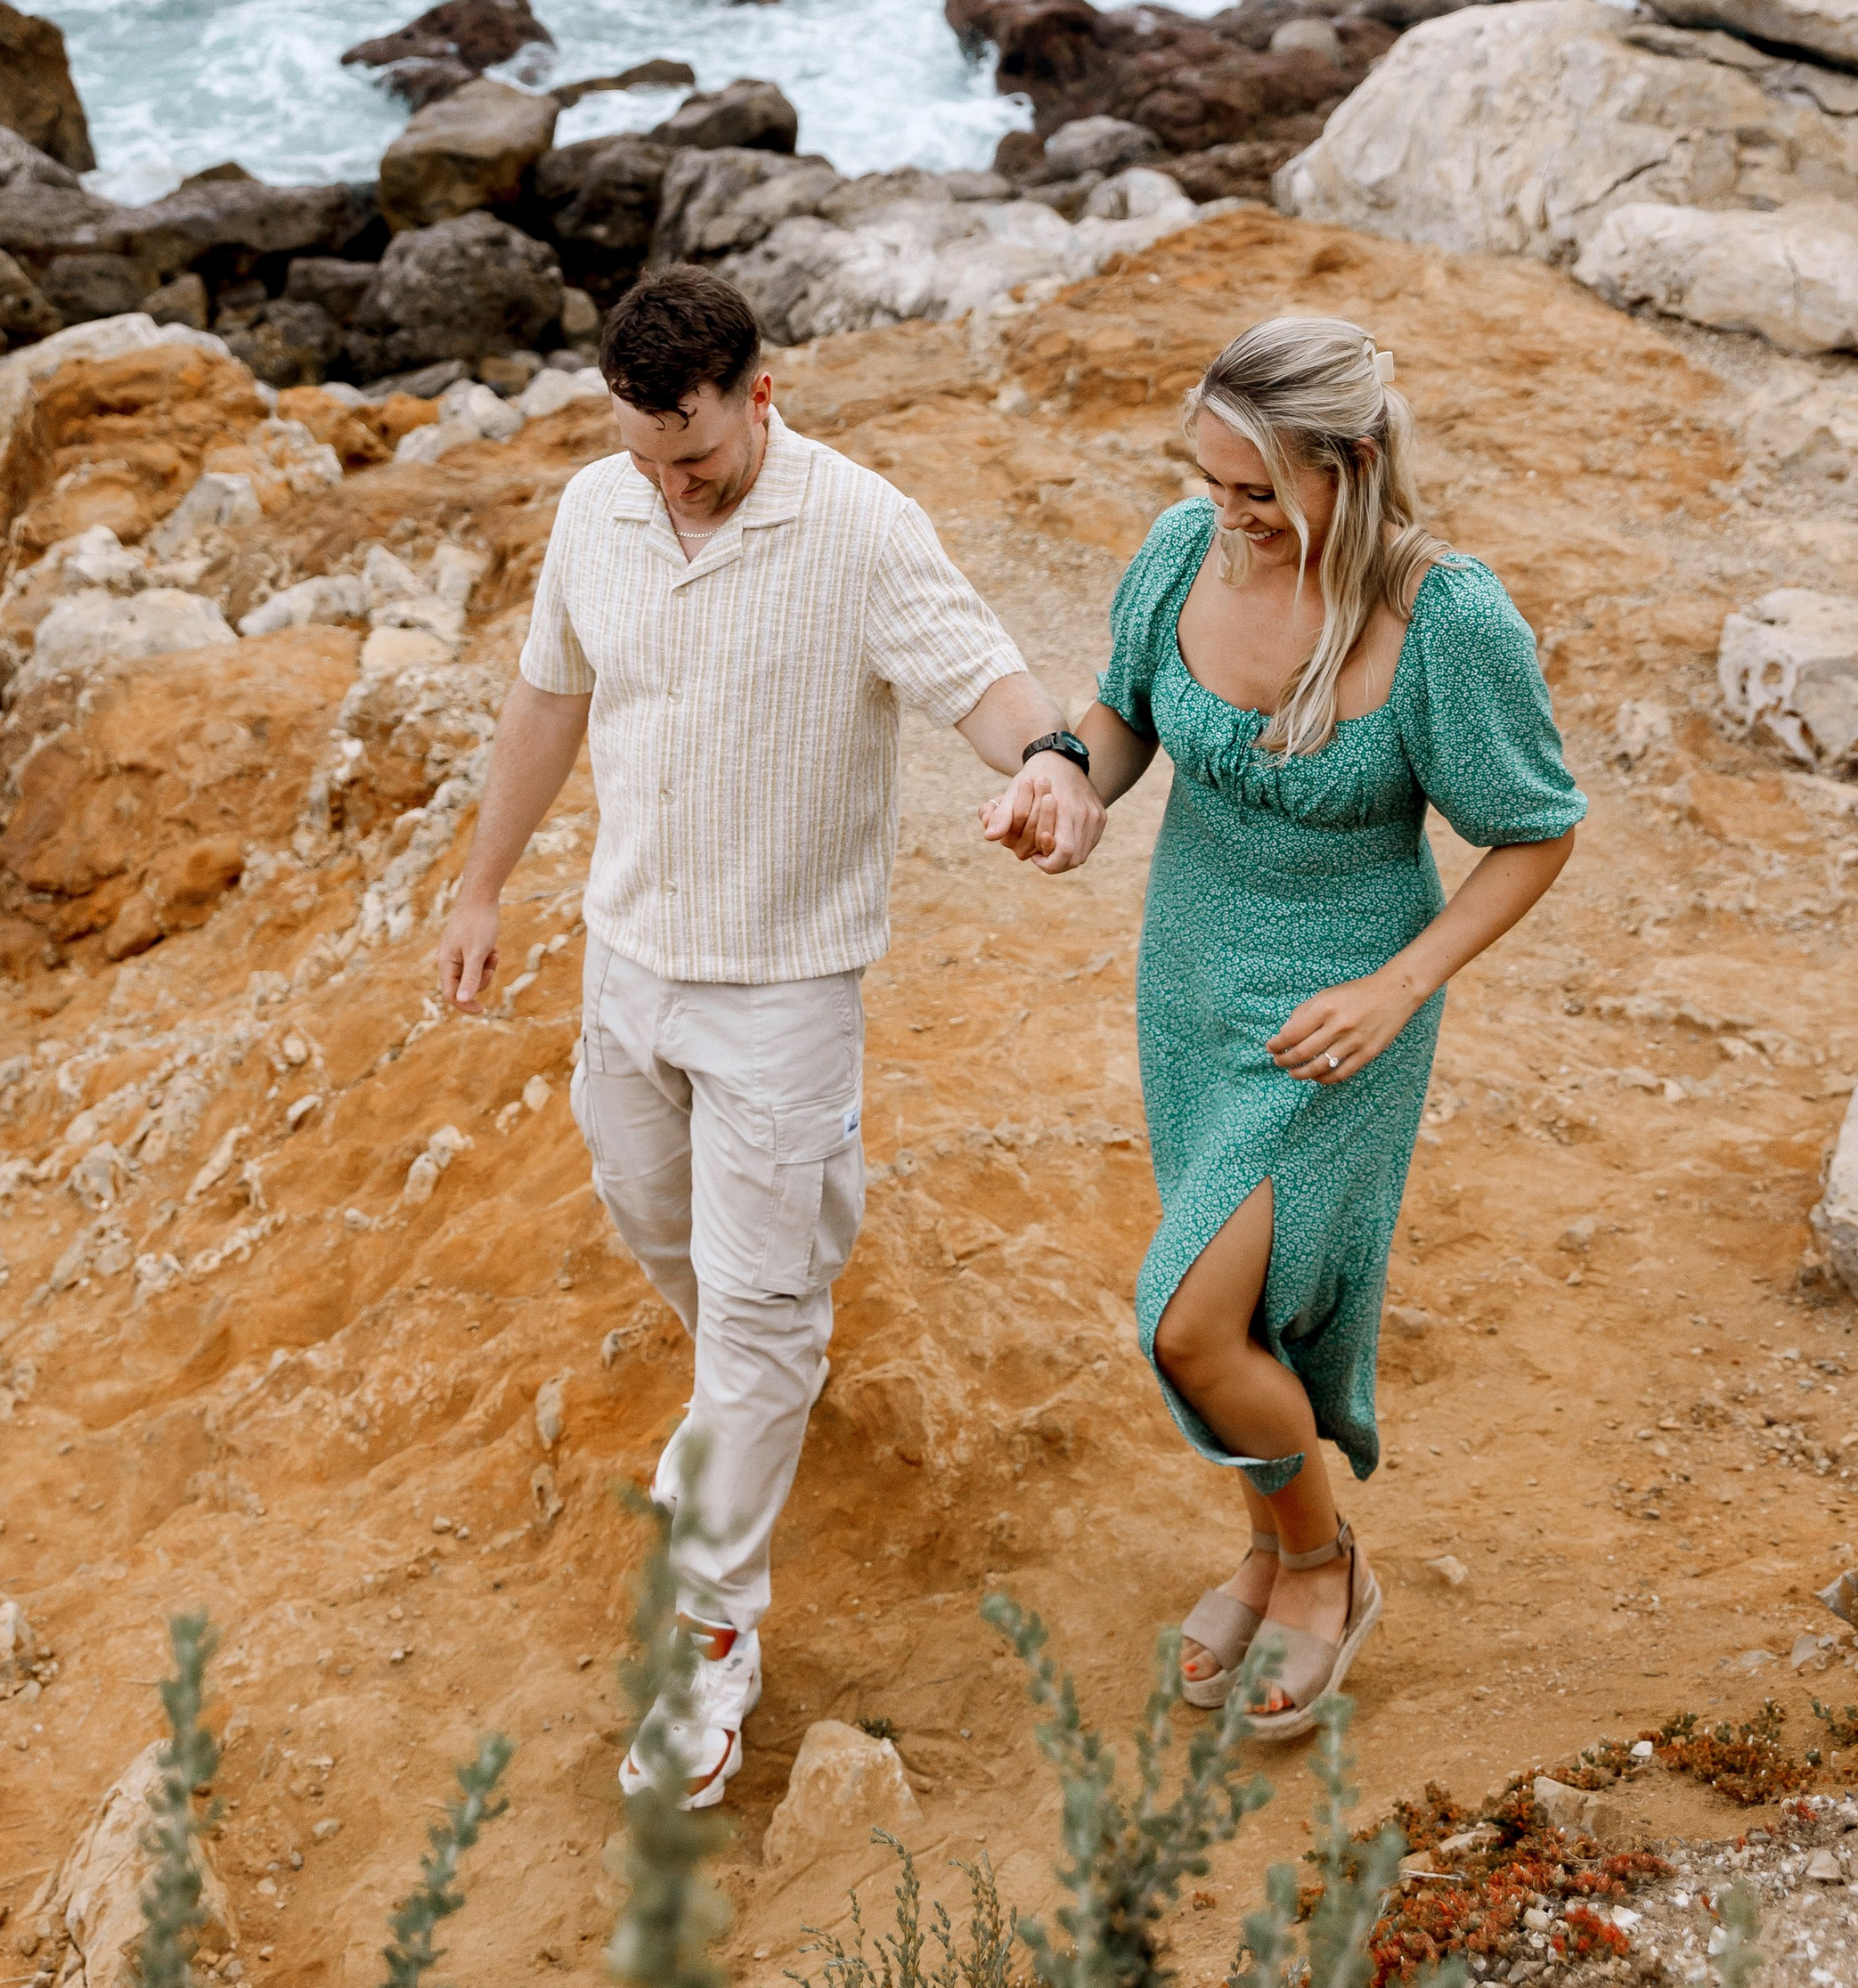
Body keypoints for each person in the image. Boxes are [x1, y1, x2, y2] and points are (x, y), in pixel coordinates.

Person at [437, 261, 1103, 1807]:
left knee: (750, 1324)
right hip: (627, 964)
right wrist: (481, 886)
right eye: (643, 452)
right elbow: (547, 701)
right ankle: (776, 1318)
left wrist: (1053, 767)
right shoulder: (597, 510)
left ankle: (711, 1635)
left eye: (696, 452)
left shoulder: (860, 526)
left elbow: (986, 680)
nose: (670, 481)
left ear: (759, 394)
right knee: (657, 1229)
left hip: (786, 989)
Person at [981, 315, 1582, 1738]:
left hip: (1340, 1013)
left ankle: (1321, 1565)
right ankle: (1265, 1547)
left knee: (1189, 1323)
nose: (1229, 519)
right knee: (1240, 1313)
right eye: (1211, 482)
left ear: (1352, 467)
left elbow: (1536, 834)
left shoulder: (1448, 619)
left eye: (1261, 492)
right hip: (1189, 978)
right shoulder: (1181, 553)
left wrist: (1398, 986)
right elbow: (1120, 712)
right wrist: (1067, 778)